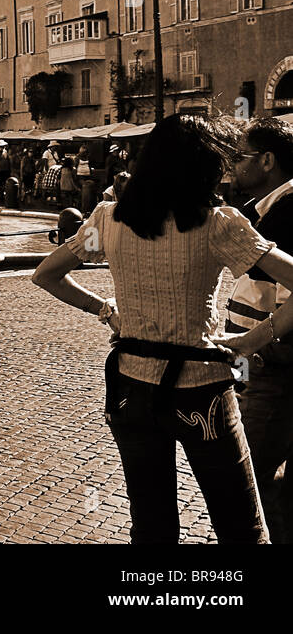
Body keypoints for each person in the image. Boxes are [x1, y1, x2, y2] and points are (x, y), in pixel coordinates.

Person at [33, 113, 293, 544]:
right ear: (205, 167)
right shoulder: (218, 225)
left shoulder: (108, 219)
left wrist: (105, 310)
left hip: (130, 386)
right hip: (200, 389)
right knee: (241, 525)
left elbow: (46, 274)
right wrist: (252, 340)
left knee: (151, 524)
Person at [224, 118, 293, 542]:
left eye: (239, 156)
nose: (231, 165)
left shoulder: (289, 212)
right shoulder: (265, 208)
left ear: (267, 161)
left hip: (276, 364)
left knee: (249, 476)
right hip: (263, 362)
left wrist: (252, 342)